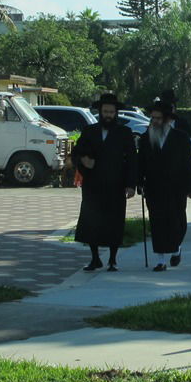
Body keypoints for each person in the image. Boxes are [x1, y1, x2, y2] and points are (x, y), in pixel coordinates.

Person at [71, 92, 137, 271]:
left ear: (116, 113)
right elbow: (76, 153)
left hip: (116, 185)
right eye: (105, 111)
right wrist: (83, 160)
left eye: (111, 112)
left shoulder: (124, 132)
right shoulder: (89, 131)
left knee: (114, 223)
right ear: (100, 112)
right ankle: (94, 258)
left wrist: (131, 185)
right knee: (92, 222)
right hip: (93, 185)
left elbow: (132, 160)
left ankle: (113, 259)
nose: (108, 115)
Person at [137, 99, 191, 272]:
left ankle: (176, 248)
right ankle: (160, 260)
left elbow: (188, 164)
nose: (154, 121)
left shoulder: (181, 138)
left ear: (167, 120)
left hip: (176, 188)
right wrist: (139, 182)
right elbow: (140, 162)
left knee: (178, 222)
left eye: (158, 118)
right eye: (152, 118)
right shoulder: (145, 138)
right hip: (154, 187)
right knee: (157, 223)